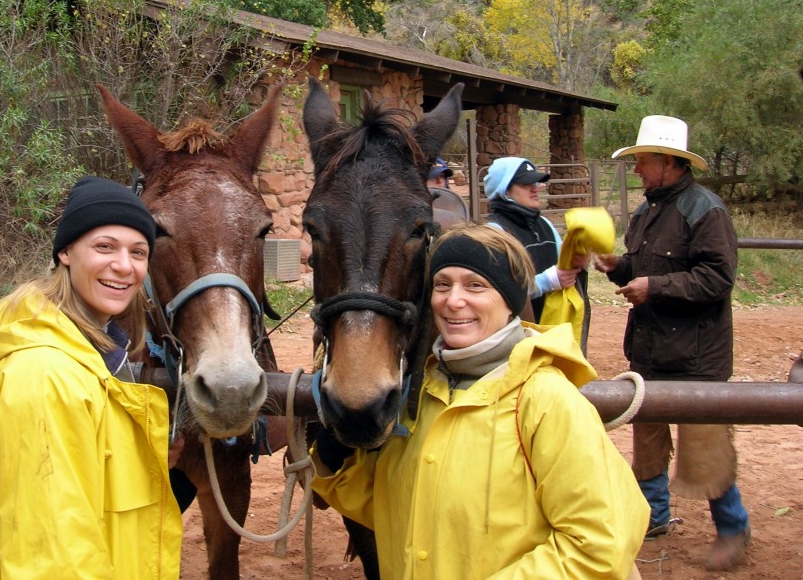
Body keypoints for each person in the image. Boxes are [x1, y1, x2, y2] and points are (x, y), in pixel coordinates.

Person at [312, 223, 648, 579]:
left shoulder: (547, 400)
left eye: (476, 285)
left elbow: (599, 546)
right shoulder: (425, 394)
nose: (453, 300)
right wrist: (334, 462)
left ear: (509, 300)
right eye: (443, 285)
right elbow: (396, 509)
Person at [0, 176, 182, 579]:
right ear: (66, 252)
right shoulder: (46, 377)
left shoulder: (91, 351)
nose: (124, 266)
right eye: (105, 246)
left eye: (138, 252)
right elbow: (52, 555)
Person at [594, 115, 751, 572]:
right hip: (650, 348)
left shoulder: (706, 210)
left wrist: (653, 288)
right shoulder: (646, 212)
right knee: (648, 441)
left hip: (697, 355)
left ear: (669, 163)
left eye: (643, 162)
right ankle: (654, 517)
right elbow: (644, 268)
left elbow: (718, 278)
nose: (638, 170)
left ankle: (733, 527)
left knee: (706, 447)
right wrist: (617, 266)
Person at [483, 157, 584, 323]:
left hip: (552, 327)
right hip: (514, 333)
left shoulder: (545, 224)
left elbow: (563, 269)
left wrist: (577, 261)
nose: (535, 189)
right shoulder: (493, 232)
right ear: (504, 191)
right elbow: (496, 288)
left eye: (535, 183)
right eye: (525, 184)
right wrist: (547, 281)